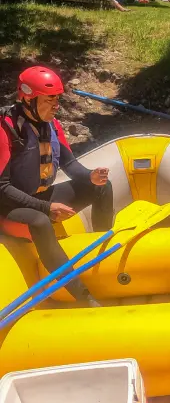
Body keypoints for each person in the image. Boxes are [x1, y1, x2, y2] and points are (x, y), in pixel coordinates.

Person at [0, 66, 114, 304]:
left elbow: (70, 164)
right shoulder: (5, 131)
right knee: (40, 221)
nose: (56, 106)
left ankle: (104, 262)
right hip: (8, 207)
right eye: (49, 99)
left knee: (103, 186)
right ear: (28, 99)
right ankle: (84, 297)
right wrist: (46, 208)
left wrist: (90, 176)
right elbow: (2, 188)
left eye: (57, 99)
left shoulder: (52, 125)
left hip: (39, 196)